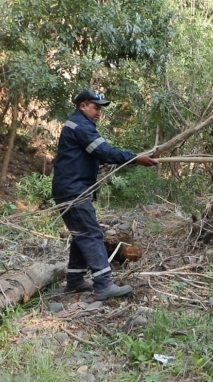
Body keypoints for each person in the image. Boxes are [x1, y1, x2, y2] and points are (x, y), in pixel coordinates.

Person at [52, 89, 158, 301]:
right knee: (91, 234)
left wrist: (132, 158)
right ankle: (103, 285)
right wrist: (136, 159)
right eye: (96, 108)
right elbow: (105, 153)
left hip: (71, 189)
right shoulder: (81, 126)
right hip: (74, 191)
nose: (99, 113)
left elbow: (99, 156)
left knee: (82, 234)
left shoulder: (78, 125)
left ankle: (75, 281)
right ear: (83, 105)